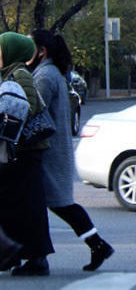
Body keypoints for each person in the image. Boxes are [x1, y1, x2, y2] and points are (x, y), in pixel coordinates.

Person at [28, 30, 114, 271]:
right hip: (56, 149)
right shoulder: (54, 73)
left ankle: (95, 245)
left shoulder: (44, 76)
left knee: (58, 203)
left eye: (30, 46)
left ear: (41, 51)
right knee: (54, 204)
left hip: (48, 152)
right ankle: (93, 245)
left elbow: (35, 111)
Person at [0, 32, 54, 276]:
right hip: (19, 152)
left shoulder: (19, 75)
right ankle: (15, 255)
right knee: (17, 207)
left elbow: (27, 108)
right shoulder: (10, 75)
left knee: (28, 208)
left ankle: (35, 259)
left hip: (27, 151)